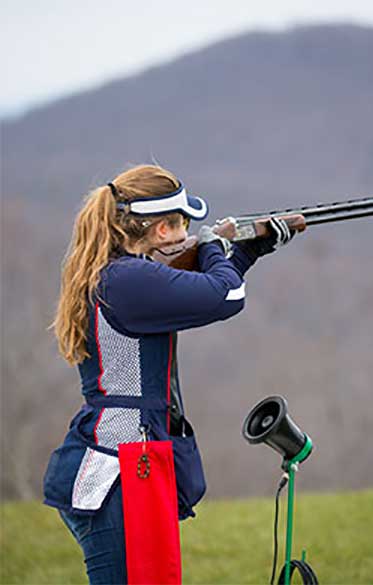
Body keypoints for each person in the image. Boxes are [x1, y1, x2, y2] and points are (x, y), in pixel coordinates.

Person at [43, 164, 296, 584]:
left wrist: (248, 251)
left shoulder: (121, 273)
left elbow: (212, 291)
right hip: (118, 474)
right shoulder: (128, 278)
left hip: (126, 464)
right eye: (182, 224)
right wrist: (216, 244)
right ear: (162, 229)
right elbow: (227, 296)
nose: (187, 232)